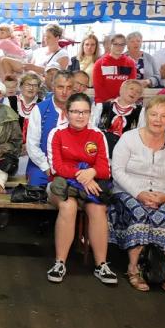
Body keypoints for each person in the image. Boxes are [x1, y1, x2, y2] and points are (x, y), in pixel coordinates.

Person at [109, 96, 165, 292]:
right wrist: (139, 193)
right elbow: (117, 171)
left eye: (164, 116)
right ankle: (133, 269)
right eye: (154, 114)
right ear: (146, 115)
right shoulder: (129, 138)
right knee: (139, 213)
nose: (158, 120)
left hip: (161, 193)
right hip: (128, 191)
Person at [45, 93, 116, 285]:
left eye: (85, 112)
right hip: (61, 186)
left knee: (98, 208)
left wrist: (92, 171)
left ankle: (101, 265)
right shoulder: (57, 133)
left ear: (90, 113)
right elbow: (56, 168)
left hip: (90, 186)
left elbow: (105, 169)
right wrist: (82, 176)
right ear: (67, 113)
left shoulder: (97, 135)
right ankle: (60, 263)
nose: (80, 116)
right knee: (68, 207)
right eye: (76, 111)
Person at [26, 71, 74, 187]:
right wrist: (46, 166)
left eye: (69, 88)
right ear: (53, 87)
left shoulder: (79, 109)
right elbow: (32, 145)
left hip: (71, 164)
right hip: (42, 165)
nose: (64, 92)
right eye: (60, 87)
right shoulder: (39, 109)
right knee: (36, 189)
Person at [91, 79, 143, 153]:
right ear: (121, 89)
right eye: (131, 88)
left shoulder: (141, 112)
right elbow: (91, 128)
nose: (134, 92)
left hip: (127, 152)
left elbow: (142, 136)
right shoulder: (101, 107)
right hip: (101, 149)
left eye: (138, 92)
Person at [92, 34, 137, 103]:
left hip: (123, 102)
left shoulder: (131, 63)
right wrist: (109, 100)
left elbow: (131, 85)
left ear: (125, 46)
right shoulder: (99, 63)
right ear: (110, 45)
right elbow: (98, 86)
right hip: (103, 102)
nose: (119, 47)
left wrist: (121, 100)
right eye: (115, 44)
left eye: (122, 44)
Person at [8, 71, 42, 143]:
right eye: (28, 84)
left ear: (38, 89)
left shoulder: (42, 104)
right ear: (21, 86)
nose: (31, 88)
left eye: (35, 85)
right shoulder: (9, 101)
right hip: (12, 145)